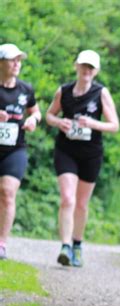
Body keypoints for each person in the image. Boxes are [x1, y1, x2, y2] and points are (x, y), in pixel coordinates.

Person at [45, 50, 119, 267]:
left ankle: (77, 244)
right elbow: (49, 115)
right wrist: (60, 123)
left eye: (91, 67)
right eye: (83, 66)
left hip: (91, 153)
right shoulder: (64, 91)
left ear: (96, 71)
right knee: (68, 198)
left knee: (82, 204)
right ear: (76, 66)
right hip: (66, 150)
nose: (87, 70)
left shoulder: (101, 93)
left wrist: (93, 123)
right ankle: (65, 246)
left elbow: (114, 125)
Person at [0, 43, 41, 260]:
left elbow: (36, 112)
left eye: (19, 60)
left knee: (7, 192)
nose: (17, 64)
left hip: (15, 149)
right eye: (12, 60)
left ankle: (2, 244)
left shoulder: (25, 89)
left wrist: (33, 119)